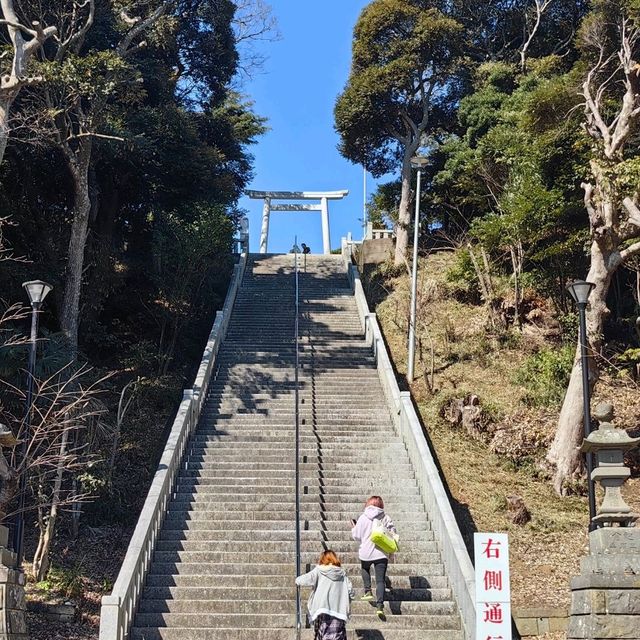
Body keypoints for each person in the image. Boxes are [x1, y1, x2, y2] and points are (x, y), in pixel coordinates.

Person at [351, 495, 396, 620]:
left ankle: (368, 591)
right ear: (381, 505)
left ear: (368, 504)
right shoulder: (385, 517)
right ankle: (380, 606)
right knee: (380, 580)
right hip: (381, 553)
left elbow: (356, 536)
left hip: (366, 553)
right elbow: (393, 533)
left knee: (365, 569)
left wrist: (354, 528)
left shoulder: (363, 518)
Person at [296, 549, 354, 640]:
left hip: (321, 609)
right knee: (337, 635)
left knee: (321, 634)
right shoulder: (342, 574)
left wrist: (297, 580)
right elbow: (351, 592)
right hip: (339, 611)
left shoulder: (319, 570)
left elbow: (305, 579)